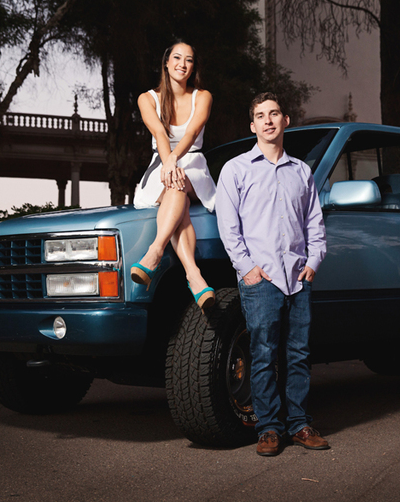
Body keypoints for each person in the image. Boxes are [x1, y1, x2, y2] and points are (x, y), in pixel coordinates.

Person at [215, 92, 328, 456]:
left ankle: (299, 425)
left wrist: (314, 261)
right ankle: (268, 429)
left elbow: (314, 222)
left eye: (274, 113)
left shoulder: (302, 171)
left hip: (298, 276)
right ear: (253, 126)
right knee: (263, 354)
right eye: (260, 116)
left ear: (286, 120)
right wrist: (247, 270)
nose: (268, 120)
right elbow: (228, 227)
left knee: (298, 353)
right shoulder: (236, 170)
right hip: (260, 279)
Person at [131, 41, 216, 311]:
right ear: (166, 63)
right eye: (177, 58)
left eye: (188, 60)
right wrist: (167, 163)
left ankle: (155, 251)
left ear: (193, 67)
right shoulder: (147, 98)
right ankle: (194, 275)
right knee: (176, 190)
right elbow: (158, 132)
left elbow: (191, 135)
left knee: (178, 183)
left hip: (193, 163)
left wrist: (173, 160)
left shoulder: (202, 96)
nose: (182, 64)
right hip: (161, 164)